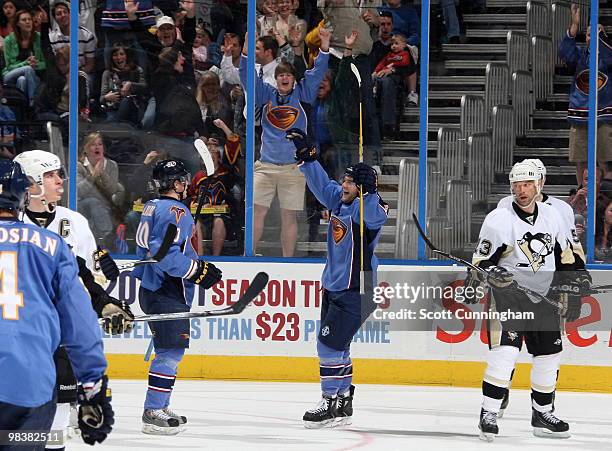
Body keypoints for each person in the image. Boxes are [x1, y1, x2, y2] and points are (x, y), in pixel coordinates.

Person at [13, 149, 133, 449]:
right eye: (50, 175)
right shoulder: (10, 223)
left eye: (59, 173)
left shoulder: (74, 221)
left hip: (60, 336)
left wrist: (106, 303)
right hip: (19, 335)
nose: (60, 181)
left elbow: (87, 279)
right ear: (30, 183)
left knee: (59, 416)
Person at [465, 161, 581, 441]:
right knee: (504, 355)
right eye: (517, 185)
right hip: (509, 299)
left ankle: (542, 414)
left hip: (544, 298)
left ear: (539, 184)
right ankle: (489, 413)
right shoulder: (500, 219)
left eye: (527, 184)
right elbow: (481, 261)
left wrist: (576, 284)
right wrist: (493, 273)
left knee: (549, 356)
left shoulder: (553, 216)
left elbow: (566, 255)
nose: (521, 190)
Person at [287, 129, 388, 428]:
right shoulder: (340, 201)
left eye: (349, 183)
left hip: (357, 288)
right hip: (334, 286)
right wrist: (308, 159)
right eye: (343, 180)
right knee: (339, 347)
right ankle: (343, 402)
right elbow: (322, 185)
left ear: (362, 188)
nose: (343, 186)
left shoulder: (367, 208)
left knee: (327, 347)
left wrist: (369, 192)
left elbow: (374, 216)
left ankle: (329, 402)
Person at [132, 159, 223, 435]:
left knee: (168, 350)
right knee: (171, 351)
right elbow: (168, 258)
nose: (186, 184)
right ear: (174, 183)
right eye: (182, 180)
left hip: (151, 288)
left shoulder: (152, 206)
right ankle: (153, 410)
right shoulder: (177, 211)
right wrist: (197, 270)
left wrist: (193, 263)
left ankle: (160, 404)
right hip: (167, 288)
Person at [239, 29, 330, 257]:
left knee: (288, 216)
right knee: (256, 211)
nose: (284, 77)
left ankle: (287, 261)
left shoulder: (303, 93)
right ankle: (249, 255)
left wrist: (325, 46)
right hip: (266, 166)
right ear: (276, 79)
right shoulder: (266, 94)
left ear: (294, 78)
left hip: (293, 167)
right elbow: (246, 75)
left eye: (288, 74)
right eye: (280, 75)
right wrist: (246, 52)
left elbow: (317, 72)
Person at [558, 4, 612, 186]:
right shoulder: (580, 56)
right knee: (580, 160)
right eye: (589, 34)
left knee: (605, 160)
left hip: (603, 116)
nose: (592, 37)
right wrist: (574, 26)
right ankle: (582, 193)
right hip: (580, 115)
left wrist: (603, 42)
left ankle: (606, 195)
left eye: (597, 33)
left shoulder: (608, 56)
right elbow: (565, 53)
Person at [2, 9, 46, 105]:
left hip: (33, 77)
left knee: (22, 80)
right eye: (24, 20)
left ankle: (22, 108)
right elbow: (9, 66)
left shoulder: (38, 37)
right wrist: (27, 63)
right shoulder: (9, 40)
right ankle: (33, 104)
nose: (27, 22)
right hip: (10, 75)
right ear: (18, 23)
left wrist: (36, 65)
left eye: (29, 19)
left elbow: (45, 63)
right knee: (27, 69)